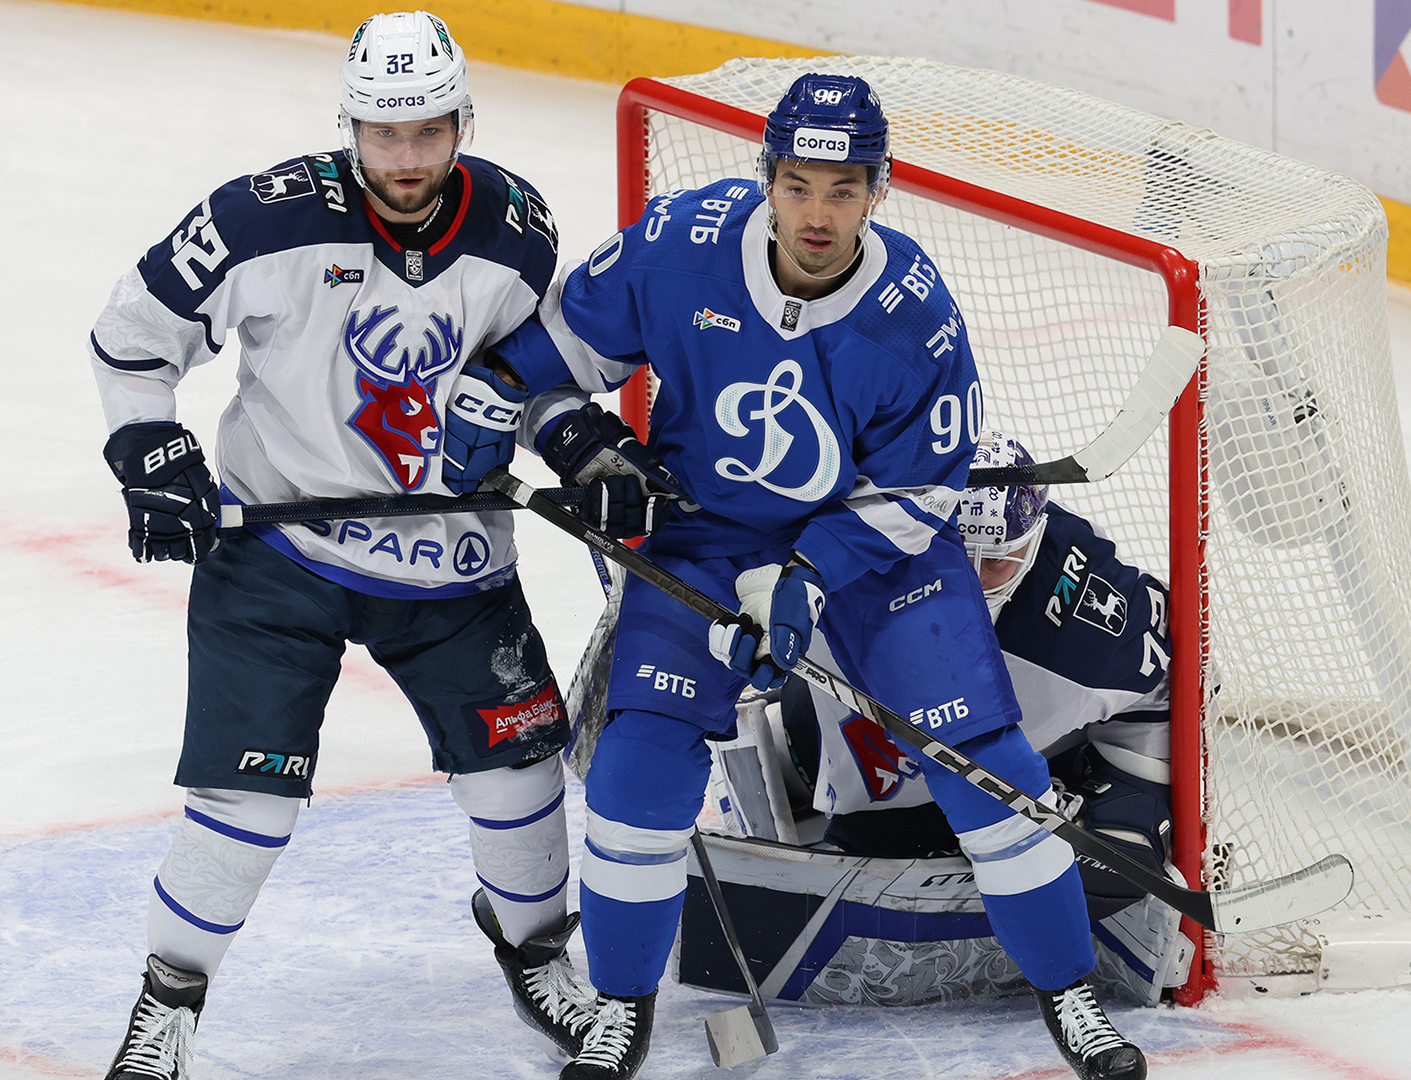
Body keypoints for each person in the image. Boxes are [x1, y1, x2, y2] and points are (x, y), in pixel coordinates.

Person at [491, 75, 1146, 1080]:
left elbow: (924, 488)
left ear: (879, 189)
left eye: (844, 191)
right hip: (705, 533)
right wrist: (579, 442)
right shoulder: (679, 244)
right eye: (798, 186)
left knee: (987, 766)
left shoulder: (913, 308)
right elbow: (532, 368)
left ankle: (1071, 996)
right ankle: (621, 1010)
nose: (817, 215)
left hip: (874, 548)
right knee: (637, 770)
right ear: (766, 178)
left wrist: (809, 574)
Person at [85, 13, 597, 1079]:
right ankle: (169, 1000)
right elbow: (134, 335)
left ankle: (537, 951)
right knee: (247, 804)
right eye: (383, 132)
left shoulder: (516, 230)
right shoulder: (259, 220)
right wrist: (147, 446)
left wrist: (574, 440)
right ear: (349, 125)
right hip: (278, 552)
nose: (406, 157)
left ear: (462, 122)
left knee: (518, 779)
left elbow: (532, 375)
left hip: (451, 559)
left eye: (428, 131)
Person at [703, 429, 1190, 1007]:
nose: (975, 581)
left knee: (1101, 854)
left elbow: (1165, 684)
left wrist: (1131, 804)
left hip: (1019, 772)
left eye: (997, 561)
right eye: (958, 552)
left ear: (1034, 541)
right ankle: (792, 768)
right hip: (852, 766)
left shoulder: (1090, 616)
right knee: (806, 750)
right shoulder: (857, 545)